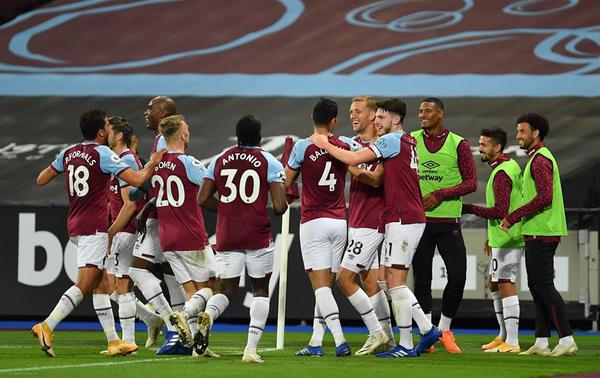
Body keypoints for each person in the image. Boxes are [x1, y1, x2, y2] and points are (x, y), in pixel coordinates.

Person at [310, 98, 441, 358]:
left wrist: (325, 143)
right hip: (400, 217)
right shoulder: (407, 141)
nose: (376, 122)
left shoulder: (390, 141)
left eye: (380, 118)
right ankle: (417, 333)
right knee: (388, 280)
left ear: (394, 119)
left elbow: (356, 158)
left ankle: (403, 338)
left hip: (401, 218)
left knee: (390, 281)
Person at [32, 109, 165, 357]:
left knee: (102, 285)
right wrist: (153, 165)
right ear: (101, 131)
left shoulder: (69, 153)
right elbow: (136, 179)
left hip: (74, 224)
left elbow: (41, 179)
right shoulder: (103, 154)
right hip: (94, 227)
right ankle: (47, 325)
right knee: (85, 285)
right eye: (106, 124)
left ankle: (114, 342)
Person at [192, 115, 288, 363]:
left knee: (225, 290)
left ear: (237, 136)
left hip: (227, 234)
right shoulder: (269, 162)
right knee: (260, 290)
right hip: (256, 234)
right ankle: (251, 350)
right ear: (259, 137)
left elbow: (201, 199)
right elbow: (279, 207)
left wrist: (226, 208)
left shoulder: (219, 159)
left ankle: (209, 317)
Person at [129, 115, 217, 353]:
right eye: (187, 129)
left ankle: (197, 347)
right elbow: (212, 185)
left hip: (168, 239)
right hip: (191, 235)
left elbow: (138, 193)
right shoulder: (188, 163)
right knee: (214, 288)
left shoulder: (156, 164)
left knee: (191, 292)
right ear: (183, 135)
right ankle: (182, 316)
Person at [500, 113, 577, 357]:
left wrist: (513, 216)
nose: (518, 136)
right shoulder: (537, 158)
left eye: (522, 131)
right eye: (517, 131)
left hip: (543, 231)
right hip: (538, 230)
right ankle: (542, 341)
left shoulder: (540, 159)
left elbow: (545, 197)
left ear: (536, 134)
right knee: (537, 286)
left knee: (543, 286)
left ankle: (566, 338)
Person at [410, 97, 477, 354]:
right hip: (420, 221)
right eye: (420, 111)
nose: (422, 115)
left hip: (449, 221)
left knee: (458, 276)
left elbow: (471, 182)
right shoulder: (411, 139)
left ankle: (445, 330)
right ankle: (428, 332)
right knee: (422, 281)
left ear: (441, 113)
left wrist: (440, 194)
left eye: (428, 110)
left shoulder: (458, 143)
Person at [286, 98, 352, 357]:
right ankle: (315, 342)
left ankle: (339, 340)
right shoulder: (343, 145)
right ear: (334, 121)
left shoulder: (302, 146)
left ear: (312, 116)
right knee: (325, 285)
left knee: (320, 286)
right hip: (340, 221)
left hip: (314, 221)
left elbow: (288, 180)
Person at [130, 96, 190, 354]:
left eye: (150, 108)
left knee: (136, 270)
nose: (146, 113)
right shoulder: (164, 139)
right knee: (170, 275)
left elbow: (161, 177)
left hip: (159, 217)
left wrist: (143, 198)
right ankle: (182, 334)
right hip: (169, 214)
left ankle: (170, 324)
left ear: (163, 113)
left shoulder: (163, 140)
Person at [338, 96, 393, 355]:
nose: (352, 115)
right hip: (357, 219)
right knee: (370, 282)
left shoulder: (384, 145)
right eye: (350, 111)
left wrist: (348, 163)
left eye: (357, 111)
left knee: (344, 279)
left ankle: (376, 333)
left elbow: (376, 181)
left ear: (373, 116)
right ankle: (389, 338)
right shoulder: (354, 145)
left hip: (372, 222)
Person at [463, 127, 523, 353]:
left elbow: (500, 211)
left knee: (506, 283)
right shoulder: (507, 167)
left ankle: (513, 341)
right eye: (480, 143)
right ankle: (503, 335)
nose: (481, 149)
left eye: (485, 145)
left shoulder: (501, 174)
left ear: (498, 147)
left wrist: (468, 207)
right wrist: (491, 235)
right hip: (502, 236)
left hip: (509, 237)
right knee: (494, 283)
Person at [106, 116, 164, 349]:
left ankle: (129, 341)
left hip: (126, 231)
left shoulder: (126, 160)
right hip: (126, 230)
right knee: (112, 288)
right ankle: (152, 319)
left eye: (109, 130)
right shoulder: (119, 159)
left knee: (122, 287)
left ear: (119, 136)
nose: (105, 133)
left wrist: (111, 232)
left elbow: (130, 204)